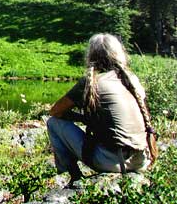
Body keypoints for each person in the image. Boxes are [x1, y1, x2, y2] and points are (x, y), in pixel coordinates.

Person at [46, 33, 157, 184]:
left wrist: (79, 118)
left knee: (53, 123)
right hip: (142, 160)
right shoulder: (132, 79)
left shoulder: (91, 82)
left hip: (111, 162)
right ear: (119, 54)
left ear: (91, 55)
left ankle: (71, 177)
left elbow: (55, 111)